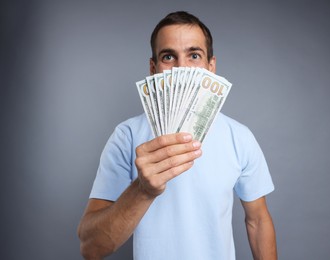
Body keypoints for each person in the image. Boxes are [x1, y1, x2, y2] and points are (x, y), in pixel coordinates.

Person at [78, 11, 277, 260]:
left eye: (194, 55)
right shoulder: (126, 136)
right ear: (153, 68)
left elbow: (257, 221)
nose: (182, 68)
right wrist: (143, 190)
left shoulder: (239, 137)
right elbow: (91, 247)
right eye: (169, 56)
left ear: (211, 67)